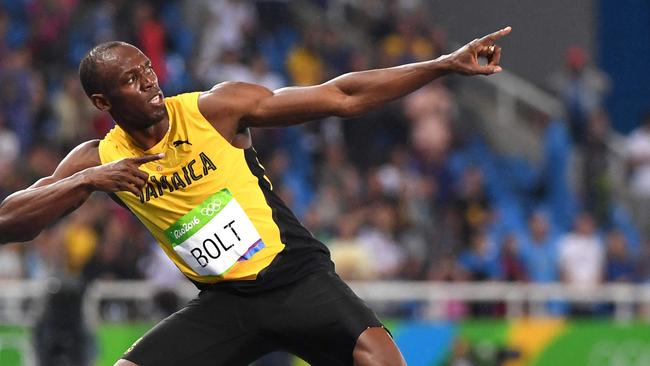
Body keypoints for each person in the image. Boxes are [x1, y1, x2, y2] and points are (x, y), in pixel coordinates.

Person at [0, 26, 511, 366]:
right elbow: (11, 222)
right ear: (101, 101)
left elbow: (341, 96)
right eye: (131, 81)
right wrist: (86, 182)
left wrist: (443, 64)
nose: (150, 83)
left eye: (148, 69)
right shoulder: (97, 159)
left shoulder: (215, 110)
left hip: (297, 280)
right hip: (225, 305)